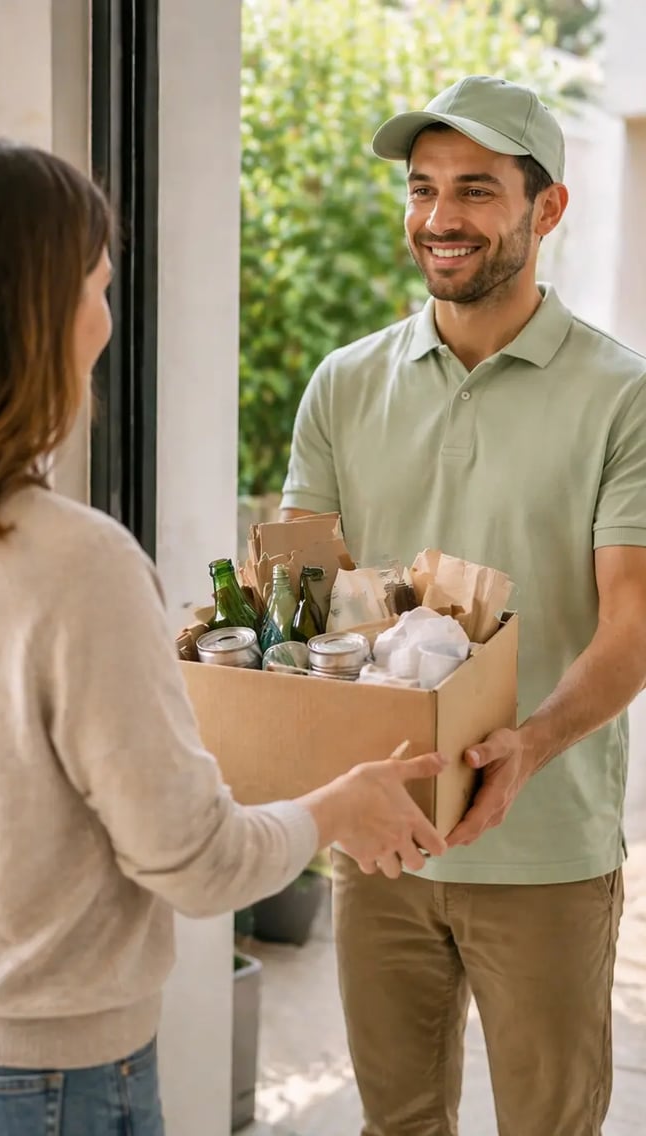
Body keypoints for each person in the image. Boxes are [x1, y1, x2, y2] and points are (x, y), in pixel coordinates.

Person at [0, 139, 449, 1136]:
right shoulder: (74, 562)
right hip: (43, 1087)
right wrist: (333, 806)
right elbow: (195, 863)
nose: (107, 317)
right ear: (37, 316)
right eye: (98, 285)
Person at [280, 75, 646, 1136]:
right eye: (423, 187)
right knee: (395, 1122)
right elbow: (299, 590)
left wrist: (527, 745)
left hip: (543, 847)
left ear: (548, 209)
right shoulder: (344, 385)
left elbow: (631, 624)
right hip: (379, 836)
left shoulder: (622, 396)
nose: (440, 218)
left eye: (477, 190)